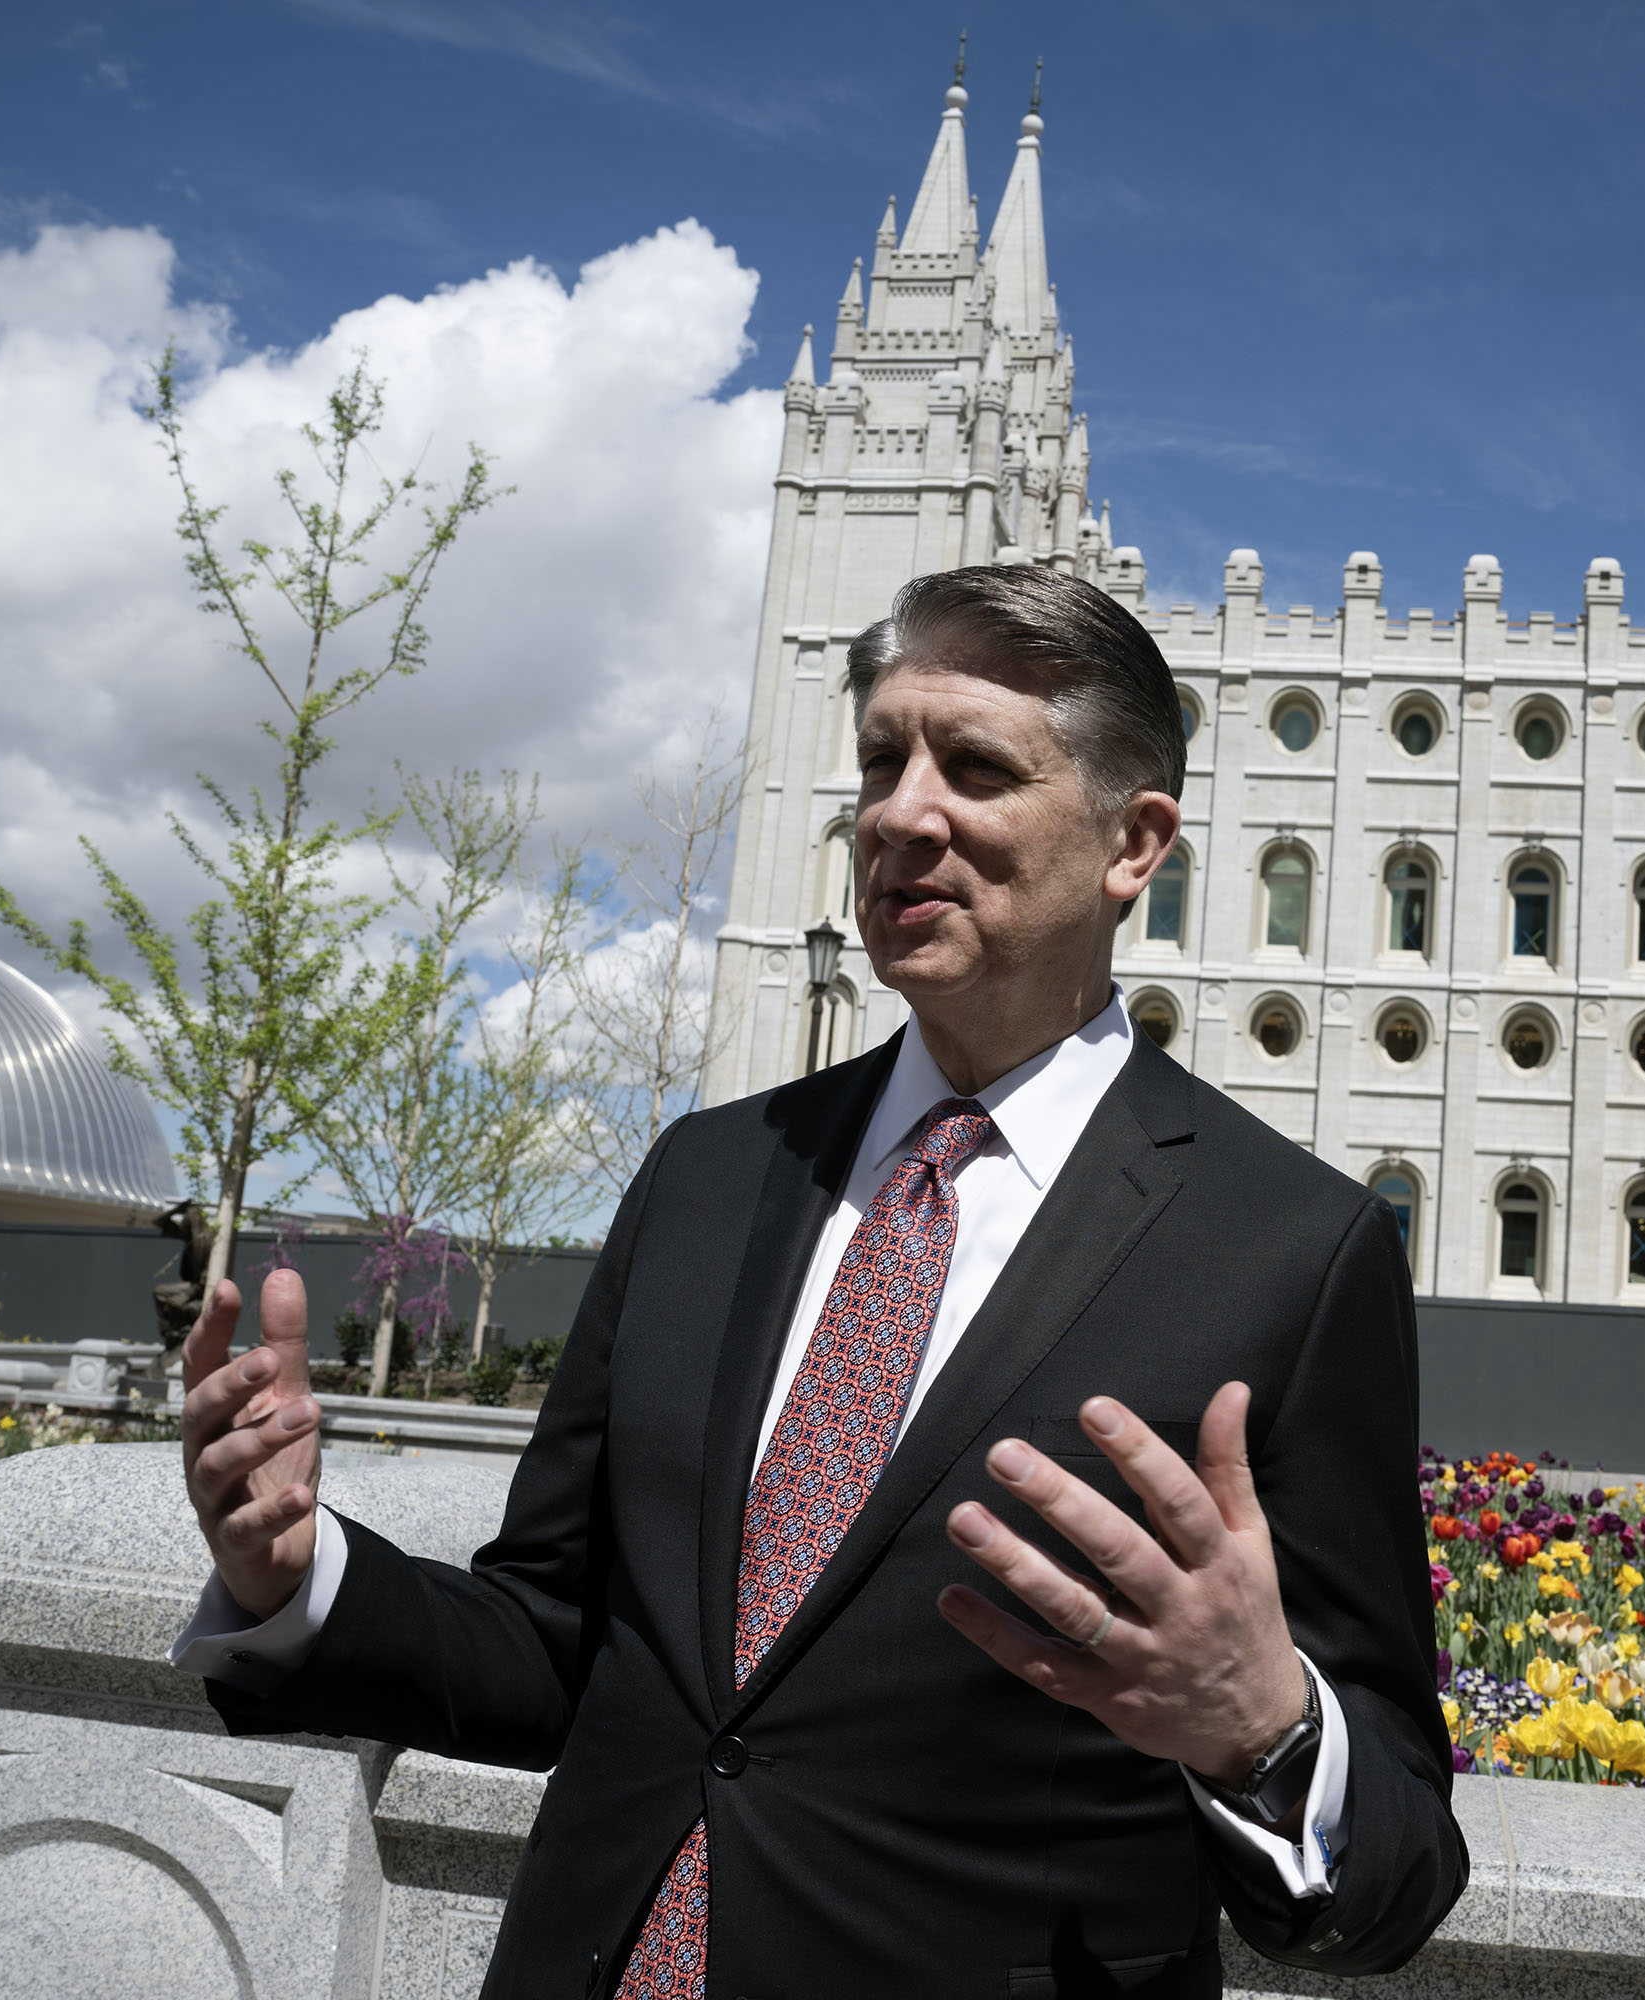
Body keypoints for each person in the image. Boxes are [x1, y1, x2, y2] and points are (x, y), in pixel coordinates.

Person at [171, 564, 1465, 1997]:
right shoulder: (710, 1176)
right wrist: (300, 1577)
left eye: (974, 766)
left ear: (1133, 844)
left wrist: (1260, 1728)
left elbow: (1399, 1869)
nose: (902, 813)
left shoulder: (1291, 1248)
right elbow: (556, 1640)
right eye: (879, 761)